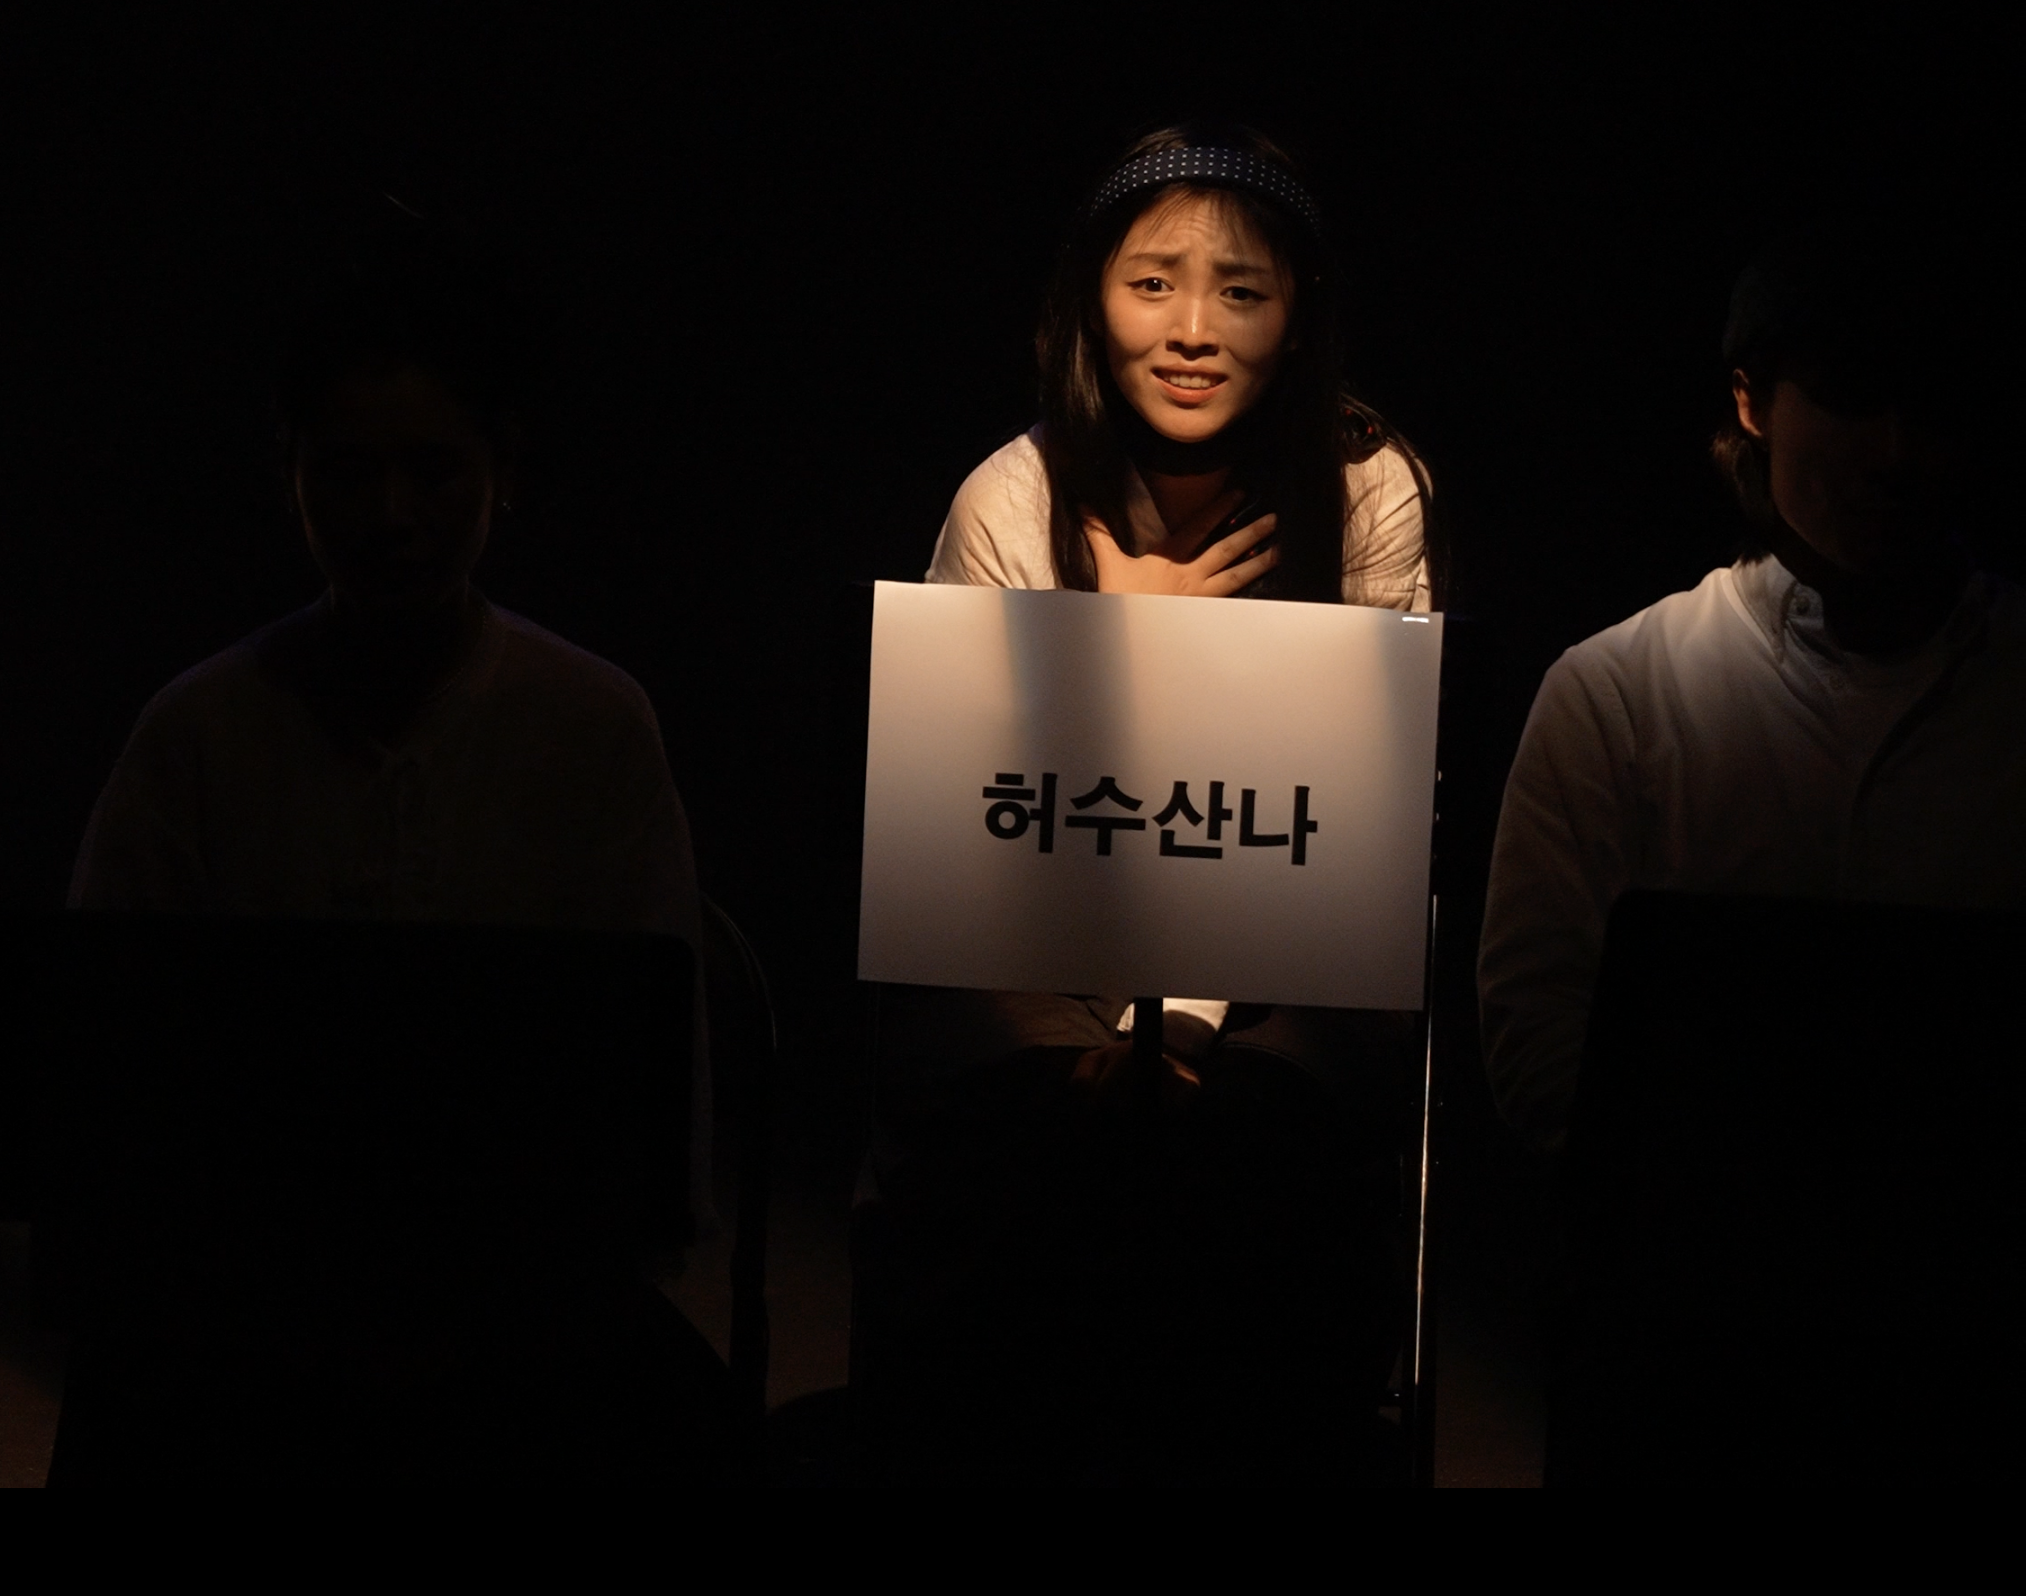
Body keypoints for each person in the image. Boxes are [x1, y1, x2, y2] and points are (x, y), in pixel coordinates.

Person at [57, 236, 720, 1483]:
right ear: (292, 478)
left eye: (433, 469)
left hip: (515, 1287)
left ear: (502, 474)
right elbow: (100, 1067)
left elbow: (649, 1078)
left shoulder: (590, 723)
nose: (391, 514)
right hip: (250, 1288)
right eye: (349, 473)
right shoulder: (198, 730)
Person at [859, 123, 1429, 1484]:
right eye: (1152, 282)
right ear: (1090, 302)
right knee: (1034, 1133)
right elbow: (958, 833)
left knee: (1249, 1140)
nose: (1191, 330)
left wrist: (1182, 1027)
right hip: (1032, 957)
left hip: (1281, 973)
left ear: (1298, 317)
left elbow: (1359, 826)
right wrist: (1115, 654)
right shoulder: (1013, 496)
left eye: (1241, 289)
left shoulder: (1369, 490)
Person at [1477, 218, 2019, 1155]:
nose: (1894, 450)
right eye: (1849, 394)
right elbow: (1537, 1053)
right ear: (1752, 403)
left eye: (1928, 400)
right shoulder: (1618, 695)